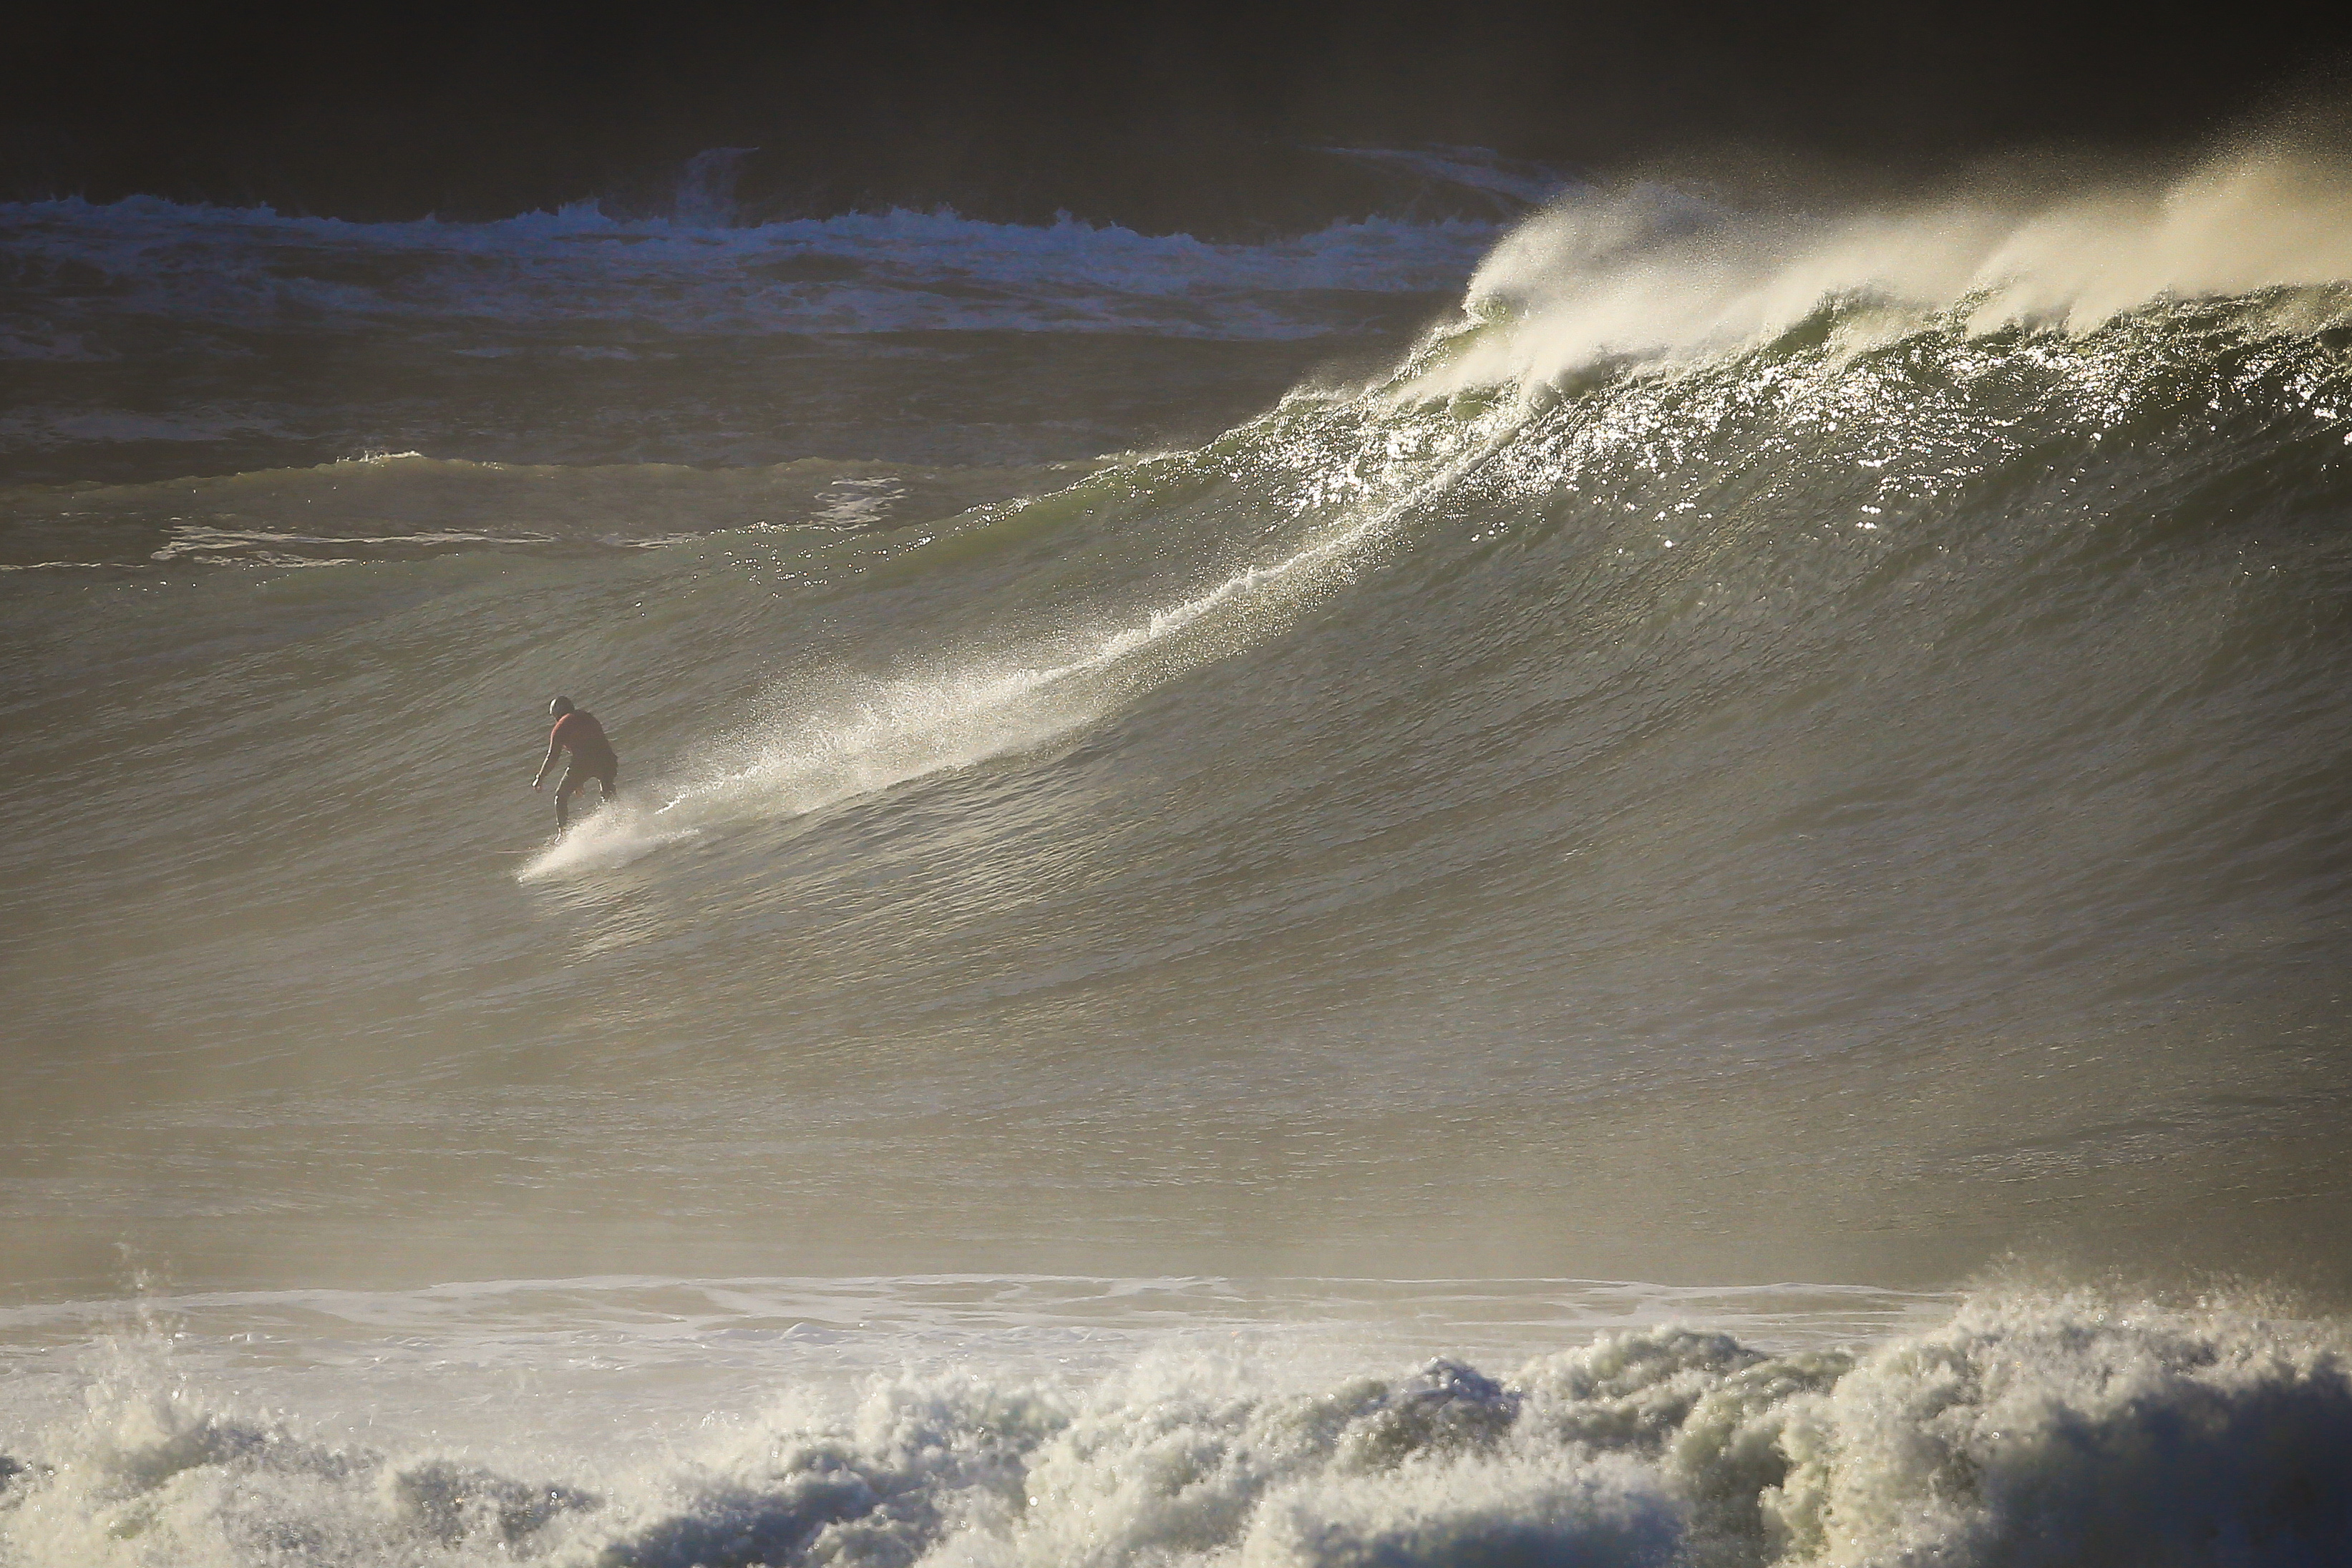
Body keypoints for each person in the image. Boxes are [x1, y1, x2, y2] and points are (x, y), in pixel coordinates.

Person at [531, 696, 618, 830]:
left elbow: (552, 757)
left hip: (584, 763)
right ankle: (617, 818)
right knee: (607, 788)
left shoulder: (560, 728)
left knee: (561, 797)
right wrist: (578, 781)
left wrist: (540, 778)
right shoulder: (587, 716)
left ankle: (563, 833)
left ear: (557, 713)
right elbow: (592, 743)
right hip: (608, 758)